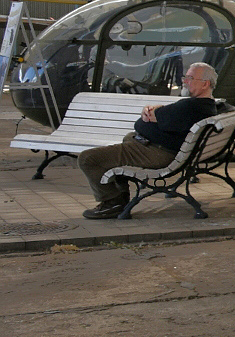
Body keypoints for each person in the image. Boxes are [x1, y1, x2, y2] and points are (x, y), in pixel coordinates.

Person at [78, 62, 221, 220]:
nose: (184, 81)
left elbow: (147, 119)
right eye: (185, 77)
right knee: (128, 138)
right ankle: (120, 197)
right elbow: (159, 114)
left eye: (190, 78)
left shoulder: (190, 106)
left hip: (158, 153)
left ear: (205, 84)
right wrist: (155, 112)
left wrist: (150, 114)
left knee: (88, 158)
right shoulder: (204, 105)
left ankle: (111, 202)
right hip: (166, 149)